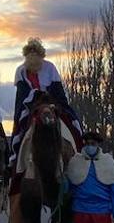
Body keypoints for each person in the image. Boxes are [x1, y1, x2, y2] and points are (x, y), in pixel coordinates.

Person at [10, 37, 82, 169]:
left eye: (35, 52)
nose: (33, 55)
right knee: (20, 128)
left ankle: (79, 151)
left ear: (40, 54)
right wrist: (35, 97)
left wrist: (52, 101)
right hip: (31, 105)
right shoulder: (20, 70)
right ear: (26, 54)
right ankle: (16, 163)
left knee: (72, 121)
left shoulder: (50, 68)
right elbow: (22, 94)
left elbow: (57, 90)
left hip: (51, 103)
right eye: (30, 52)